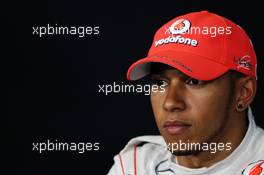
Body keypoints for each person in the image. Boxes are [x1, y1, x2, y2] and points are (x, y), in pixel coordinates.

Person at [107, 10, 264, 175]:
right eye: (160, 82)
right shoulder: (135, 167)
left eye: (194, 81)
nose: (170, 102)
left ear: (243, 93)